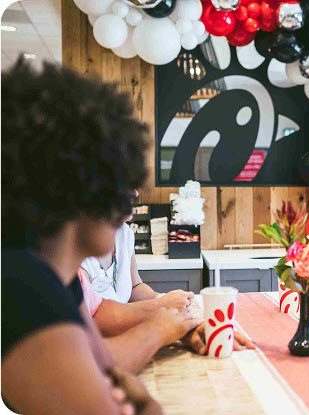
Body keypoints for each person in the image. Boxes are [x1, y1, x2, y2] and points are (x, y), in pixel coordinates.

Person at [1, 59, 170, 414]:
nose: (130, 198)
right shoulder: (22, 289)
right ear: (83, 186)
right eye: (122, 181)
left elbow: (106, 370)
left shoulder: (57, 278)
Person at [80, 268, 255, 373]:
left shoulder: (74, 275)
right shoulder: (59, 276)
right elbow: (87, 361)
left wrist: (181, 326)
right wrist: (158, 328)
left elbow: (99, 309)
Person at [81, 210, 193, 311]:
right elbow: (95, 316)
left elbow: (135, 287)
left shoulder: (124, 233)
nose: (135, 193)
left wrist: (163, 298)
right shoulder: (74, 248)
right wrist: (160, 304)